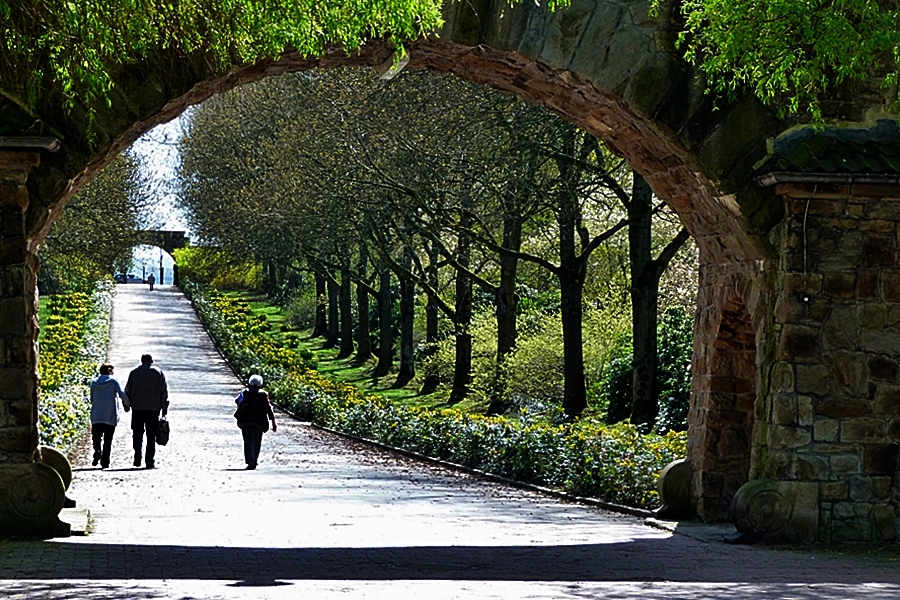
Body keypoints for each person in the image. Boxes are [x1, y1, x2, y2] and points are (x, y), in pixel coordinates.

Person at [124, 354, 168, 469]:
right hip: (153, 409)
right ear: (152, 361)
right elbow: (163, 390)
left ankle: (137, 455)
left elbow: (127, 390)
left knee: (137, 433)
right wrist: (164, 407)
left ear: (141, 361)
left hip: (137, 408)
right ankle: (149, 461)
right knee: (151, 435)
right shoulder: (158, 373)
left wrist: (127, 405)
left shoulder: (134, 373)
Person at [89, 363, 130, 469]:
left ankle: (97, 450)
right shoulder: (113, 381)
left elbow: (92, 398)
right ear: (110, 371)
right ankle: (105, 461)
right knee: (108, 439)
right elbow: (121, 394)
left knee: (96, 436)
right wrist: (128, 404)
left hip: (97, 413)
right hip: (110, 414)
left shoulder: (94, 382)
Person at [235, 374, 277, 470]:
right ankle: (254, 460)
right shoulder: (263, 394)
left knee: (248, 441)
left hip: (245, 420)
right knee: (257, 441)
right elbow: (268, 409)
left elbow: (237, 401)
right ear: (260, 384)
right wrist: (273, 422)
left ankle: (250, 461)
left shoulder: (244, 392)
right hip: (259, 421)